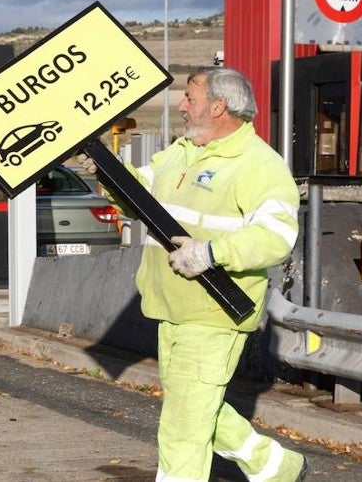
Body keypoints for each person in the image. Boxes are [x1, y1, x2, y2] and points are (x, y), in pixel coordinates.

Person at [112, 66, 307, 482]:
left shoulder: (259, 165)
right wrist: (101, 168)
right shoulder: (181, 151)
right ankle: (275, 467)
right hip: (170, 306)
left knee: (183, 426)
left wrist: (212, 253)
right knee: (198, 406)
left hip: (215, 310)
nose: (181, 106)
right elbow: (137, 194)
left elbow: (276, 237)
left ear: (218, 107)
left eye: (190, 99)